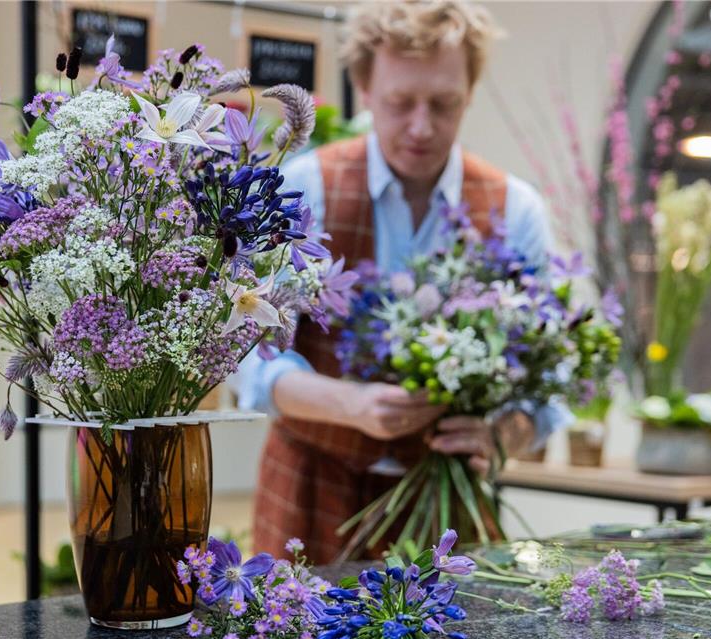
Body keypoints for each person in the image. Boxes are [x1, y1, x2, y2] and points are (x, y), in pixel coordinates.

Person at [229, 0, 571, 563]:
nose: (421, 126)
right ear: (364, 89)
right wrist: (349, 405)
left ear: (470, 92)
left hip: (449, 510)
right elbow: (250, 357)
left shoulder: (515, 210)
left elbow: (548, 375)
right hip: (310, 489)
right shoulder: (303, 189)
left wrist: (502, 436)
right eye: (400, 102)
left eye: (444, 104)